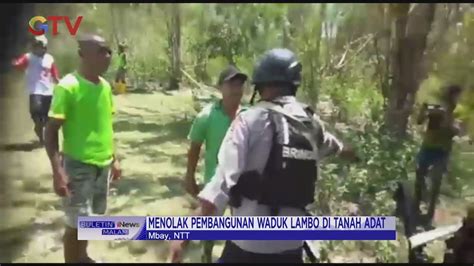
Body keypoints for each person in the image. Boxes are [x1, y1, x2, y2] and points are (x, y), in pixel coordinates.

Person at [169, 48, 358, 263]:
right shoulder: (312, 124)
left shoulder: (248, 121)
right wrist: (357, 153)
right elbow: (340, 148)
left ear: (261, 85)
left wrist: (182, 236)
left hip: (248, 245)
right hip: (292, 246)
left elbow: (219, 186)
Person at [44, 34, 121, 263]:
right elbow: (50, 131)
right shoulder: (68, 87)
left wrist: (114, 158)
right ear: (82, 54)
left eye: (108, 51)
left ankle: (82, 257)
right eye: (100, 51)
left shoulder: (106, 87)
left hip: (102, 165)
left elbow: (105, 125)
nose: (106, 56)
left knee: (88, 222)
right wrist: (58, 171)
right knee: (75, 224)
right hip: (78, 165)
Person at [184, 65, 248, 262]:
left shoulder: (248, 116)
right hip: (216, 183)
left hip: (244, 185)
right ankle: (206, 255)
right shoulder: (207, 115)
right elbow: (195, 148)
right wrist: (189, 176)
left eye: (240, 84)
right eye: (231, 84)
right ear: (220, 87)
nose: (236, 89)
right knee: (208, 226)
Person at [414, 84, 463, 228]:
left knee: (436, 182)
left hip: (441, 151)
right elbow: (419, 120)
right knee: (420, 176)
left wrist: (450, 124)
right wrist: (423, 111)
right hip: (429, 147)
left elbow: (457, 130)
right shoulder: (436, 109)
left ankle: (429, 214)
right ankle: (416, 208)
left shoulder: (457, 112)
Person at [12, 35, 60, 144]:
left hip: (48, 90)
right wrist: (16, 64)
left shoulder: (49, 58)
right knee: (36, 111)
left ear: (45, 47)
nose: (40, 49)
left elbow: (54, 71)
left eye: (42, 46)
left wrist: (58, 80)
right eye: (37, 46)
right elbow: (20, 64)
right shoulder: (28, 57)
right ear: (33, 47)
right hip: (35, 90)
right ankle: (39, 128)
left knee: (46, 116)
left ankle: (42, 133)